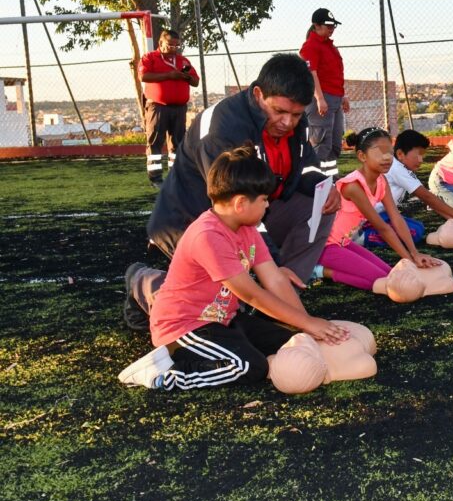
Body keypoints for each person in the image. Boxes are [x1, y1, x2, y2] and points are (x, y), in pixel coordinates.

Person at [128, 54, 340, 332]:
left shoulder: (292, 121)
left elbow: (305, 164)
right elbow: (235, 204)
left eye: (297, 114)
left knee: (321, 204)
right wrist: (271, 265)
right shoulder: (222, 128)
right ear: (258, 94)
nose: (288, 122)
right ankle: (145, 283)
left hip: (250, 215)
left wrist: (323, 185)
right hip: (193, 222)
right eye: (279, 111)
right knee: (217, 306)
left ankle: (283, 298)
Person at [118, 145, 349, 390]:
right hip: (184, 328)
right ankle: (162, 376)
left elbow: (275, 280)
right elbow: (252, 295)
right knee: (250, 366)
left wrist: (306, 325)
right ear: (240, 203)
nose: (268, 206)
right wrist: (309, 324)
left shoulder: (247, 229)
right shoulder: (208, 236)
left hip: (223, 320)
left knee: (291, 341)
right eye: (264, 200)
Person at [314, 128, 438, 290]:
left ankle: (320, 270)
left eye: (390, 153)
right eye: (380, 152)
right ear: (362, 156)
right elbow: (382, 227)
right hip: (323, 245)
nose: (387, 158)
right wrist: (409, 260)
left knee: (389, 273)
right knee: (384, 281)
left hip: (343, 242)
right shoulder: (354, 186)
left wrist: (414, 253)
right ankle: (319, 271)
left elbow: (396, 217)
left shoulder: (381, 181)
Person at [362, 129, 453, 247]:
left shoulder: (402, 168)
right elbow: (426, 196)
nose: (421, 160)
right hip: (367, 217)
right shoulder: (396, 168)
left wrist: (452, 219)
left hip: (381, 214)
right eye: (418, 155)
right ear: (400, 154)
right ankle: (362, 237)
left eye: (422, 155)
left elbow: (427, 199)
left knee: (418, 226)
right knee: (413, 232)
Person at [138, 29, 200, 188]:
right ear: (161, 43)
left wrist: (185, 76)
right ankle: (155, 178)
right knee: (155, 141)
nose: (174, 48)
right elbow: (143, 76)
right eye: (171, 45)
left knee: (177, 142)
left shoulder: (182, 60)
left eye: (177, 45)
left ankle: (175, 176)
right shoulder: (150, 58)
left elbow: (195, 81)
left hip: (179, 108)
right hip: (158, 106)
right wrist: (169, 75)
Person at [300, 8, 350, 178]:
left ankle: (330, 180)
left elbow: (334, 74)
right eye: (328, 25)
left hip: (335, 98)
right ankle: (314, 181)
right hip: (321, 99)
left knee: (334, 144)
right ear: (316, 25)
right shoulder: (311, 46)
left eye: (333, 25)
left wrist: (342, 96)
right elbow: (311, 73)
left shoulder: (329, 46)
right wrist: (320, 98)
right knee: (320, 144)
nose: (332, 29)